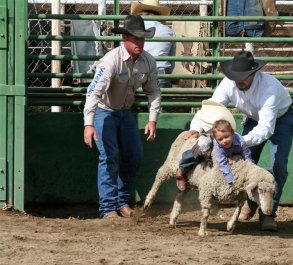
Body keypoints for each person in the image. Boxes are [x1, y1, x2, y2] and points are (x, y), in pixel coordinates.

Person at [183, 51, 293, 231]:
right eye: (236, 77)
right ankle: (249, 200)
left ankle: (268, 214)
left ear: (254, 73)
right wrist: (196, 128)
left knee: (278, 166)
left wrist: (238, 141)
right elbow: (212, 108)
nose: (238, 81)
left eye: (243, 77)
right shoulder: (229, 84)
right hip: (252, 117)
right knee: (242, 164)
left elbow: (266, 128)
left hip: (281, 118)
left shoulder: (269, 88)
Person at [83, 15, 161, 219]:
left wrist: (152, 119)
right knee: (109, 157)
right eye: (135, 39)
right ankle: (108, 208)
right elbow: (94, 92)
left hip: (125, 113)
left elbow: (153, 91)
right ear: (125, 38)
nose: (140, 43)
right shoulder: (110, 61)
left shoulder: (148, 61)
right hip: (104, 111)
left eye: (142, 39)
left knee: (135, 156)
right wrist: (89, 124)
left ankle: (121, 200)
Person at [176, 100, 237, 191]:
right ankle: (181, 170)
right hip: (210, 134)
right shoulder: (212, 105)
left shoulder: (235, 137)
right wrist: (195, 129)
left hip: (223, 132)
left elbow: (244, 149)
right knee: (203, 146)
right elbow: (201, 114)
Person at [131, 0, 176, 87]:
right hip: (161, 74)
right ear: (159, 15)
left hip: (137, 73)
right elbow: (172, 61)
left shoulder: (132, 29)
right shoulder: (169, 31)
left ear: (141, 13)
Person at [212, 119, 253, 185]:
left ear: (232, 133)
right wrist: (229, 177)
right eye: (220, 139)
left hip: (236, 148)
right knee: (216, 161)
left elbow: (246, 153)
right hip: (224, 151)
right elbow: (221, 161)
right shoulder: (218, 145)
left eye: (227, 136)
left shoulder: (240, 141)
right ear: (216, 140)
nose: (224, 141)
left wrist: (250, 166)